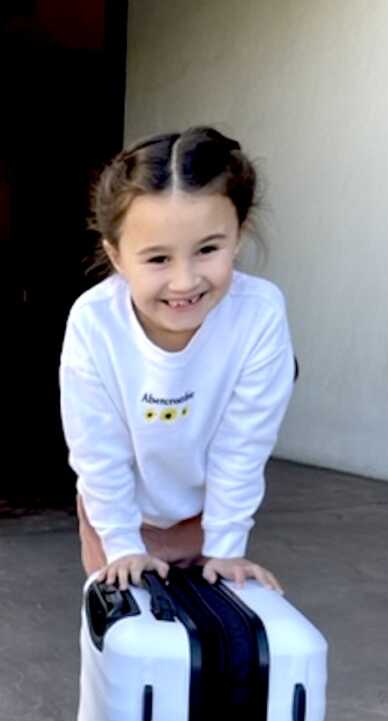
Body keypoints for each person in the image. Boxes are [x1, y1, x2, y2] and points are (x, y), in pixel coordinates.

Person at [60, 126, 294, 592]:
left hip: (204, 513)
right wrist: (123, 544)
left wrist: (227, 546)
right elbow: (98, 452)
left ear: (239, 235)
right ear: (117, 256)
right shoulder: (94, 323)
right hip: (117, 510)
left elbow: (242, 445)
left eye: (208, 249)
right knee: (129, 629)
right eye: (157, 259)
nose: (184, 282)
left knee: (209, 634)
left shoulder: (259, 315)